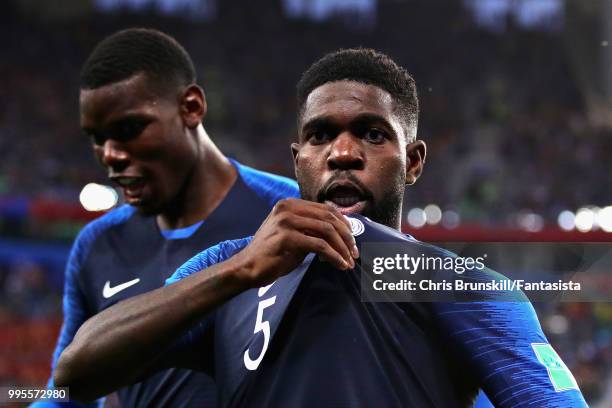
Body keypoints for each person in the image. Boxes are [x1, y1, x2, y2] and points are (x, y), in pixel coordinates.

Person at [53, 49, 587, 407]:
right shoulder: (226, 266)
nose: (344, 153)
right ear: (297, 158)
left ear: (414, 161)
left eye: (373, 135)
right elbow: (77, 371)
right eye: (320, 136)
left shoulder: (453, 284)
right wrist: (242, 270)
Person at [36, 28, 299, 407]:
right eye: (97, 137)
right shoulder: (96, 245)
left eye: (128, 129)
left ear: (191, 107)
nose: (110, 154)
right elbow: (64, 394)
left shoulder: (287, 208)